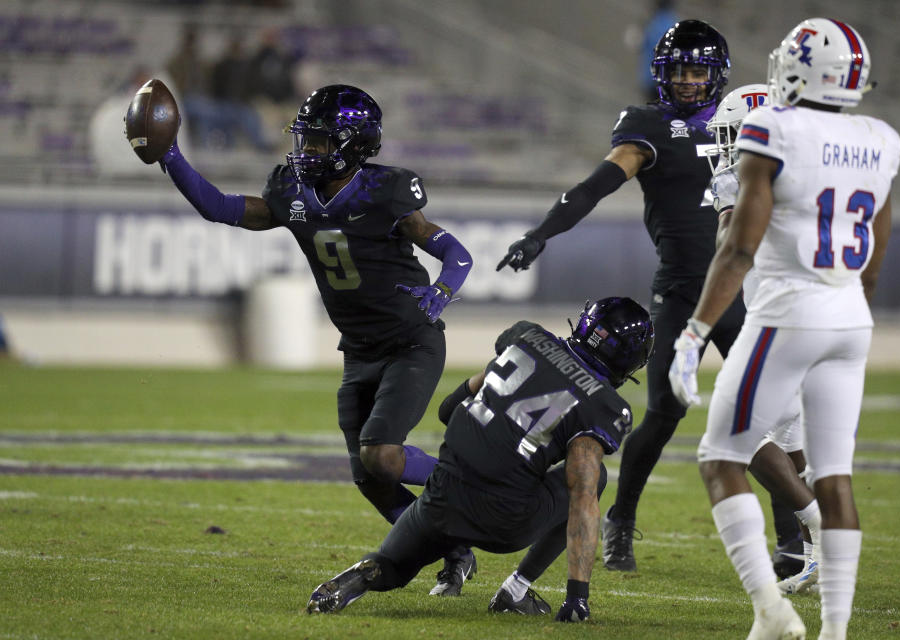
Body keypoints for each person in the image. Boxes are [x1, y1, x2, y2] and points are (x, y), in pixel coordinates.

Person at [497, 19, 803, 574]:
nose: (687, 80)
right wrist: (542, 231)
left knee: (772, 416)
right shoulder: (647, 127)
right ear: (660, 75)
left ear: (719, 76)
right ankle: (620, 522)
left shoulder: (750, 117)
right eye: (677, 70)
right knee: (664, 410)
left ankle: (791, 542)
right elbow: (595, 185)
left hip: (750, 292)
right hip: (684, 292)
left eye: (697, 70)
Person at [147, 84, 475, 595]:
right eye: (306, 140)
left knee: (382, 455)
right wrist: (171, 157)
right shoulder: (290, 192)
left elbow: (457, 254)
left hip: (411, 342)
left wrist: (442, 291)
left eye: (320, 142)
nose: (307, 151)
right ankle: (453, 549)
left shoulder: (386, 191)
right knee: (371, 479)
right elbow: (219, 207)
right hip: (359, 351)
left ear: (352, 143)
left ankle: (472, 486)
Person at [669, 18, 900, 639]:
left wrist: (695, 333)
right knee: (834, 477)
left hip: (788, 312)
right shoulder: (881, 137)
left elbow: (738, 249)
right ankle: (835, 633)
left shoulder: (775, 127)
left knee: (720, 458)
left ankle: (771, 612)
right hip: (850, 317)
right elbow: (874, 258)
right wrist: (848, 310)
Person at [305, 297, 655, 622]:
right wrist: (577, 596)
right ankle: (514, 591)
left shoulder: (526, 338)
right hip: (504, 519)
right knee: (598, 481)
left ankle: (362, 575)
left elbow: (447, 410)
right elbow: (582, 492)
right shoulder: (606, 406)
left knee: (393, 566)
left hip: (443, 491)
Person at [705, 84, 823, 595]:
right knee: (792, 446)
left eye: (734, 134)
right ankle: (820, 559)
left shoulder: (744, 178)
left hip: (782, 323)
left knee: (737, 438)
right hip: (818, 318)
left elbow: (729, 248)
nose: (726, 146)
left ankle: (824, 528)